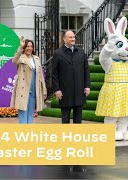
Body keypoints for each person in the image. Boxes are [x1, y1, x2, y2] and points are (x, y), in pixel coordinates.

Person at [51, 30, 91, 172]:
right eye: (70, 37)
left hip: (79, 92)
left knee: (78, 121)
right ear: (64, 39)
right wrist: (57, 89)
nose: (73, 38)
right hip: (65, 93)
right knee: (66, 120)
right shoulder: (58, 53)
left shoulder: (81, 52)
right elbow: (54, 74)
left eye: (74, 37)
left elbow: (86, 70)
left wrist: (87, 86)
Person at [10, 36, 47, 124]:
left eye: (31, 46)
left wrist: (44, 90)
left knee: (31, 114)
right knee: (23, 114)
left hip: (34, 91)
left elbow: (40, 76)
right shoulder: (20, 57)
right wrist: (20, 47)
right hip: (23, 91)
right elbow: (14, 61)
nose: (29, 48)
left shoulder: (36, 58)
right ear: (24, 48)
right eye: (27, 46)